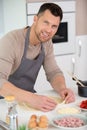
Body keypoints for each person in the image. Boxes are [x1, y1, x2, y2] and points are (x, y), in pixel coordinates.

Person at [0, 3, 75, 112]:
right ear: (35, 19)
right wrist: (31, 98)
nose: (49, 30)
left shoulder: (47, 43)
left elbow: (53, 72)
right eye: (46, 23)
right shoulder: (12, 40)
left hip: (27, 103)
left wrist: (62, 88)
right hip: (4, 103)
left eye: (54, 26)